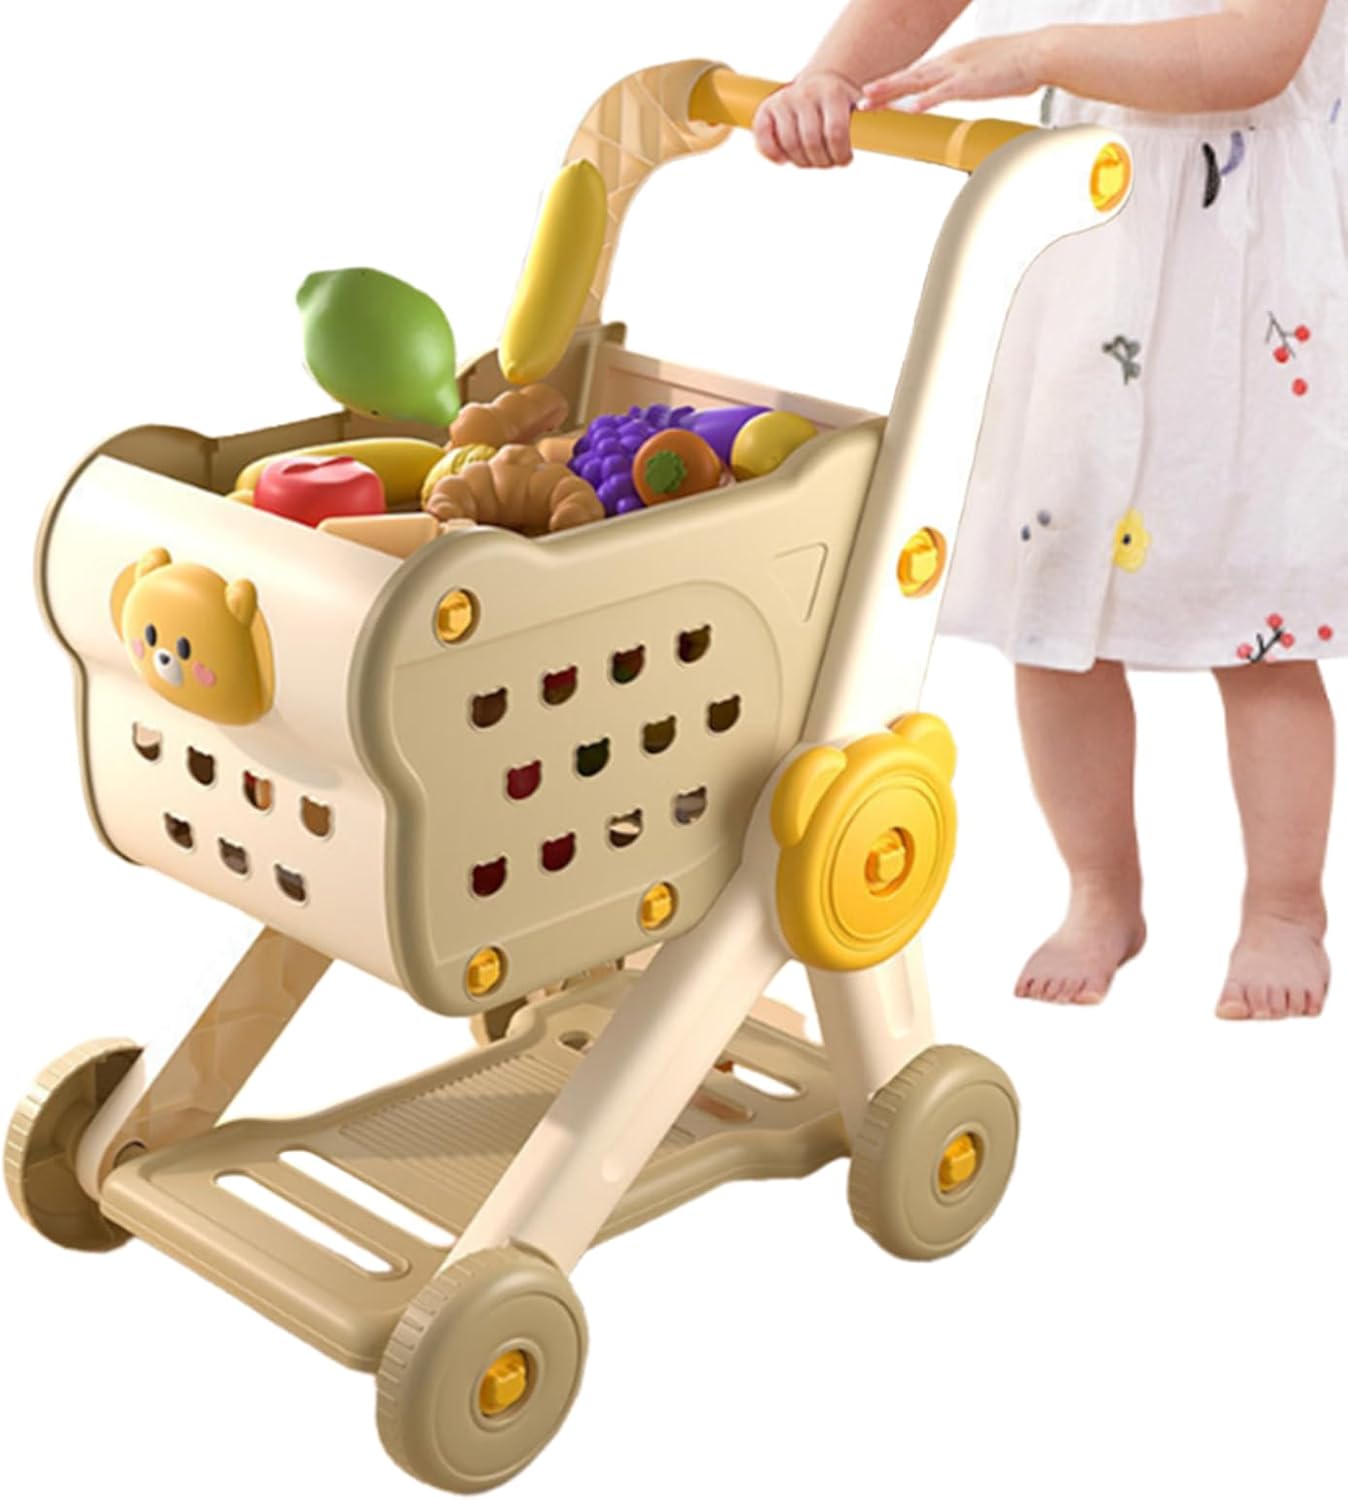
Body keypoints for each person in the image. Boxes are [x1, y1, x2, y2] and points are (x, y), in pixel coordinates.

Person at [754, 0, 1344, 1018]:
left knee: (1261, 622)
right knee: (1056, 599)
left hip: (1248, 276)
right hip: (1090, 251)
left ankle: (1285, 906)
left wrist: (1039, 53)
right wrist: (831, 75)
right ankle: (1100, 888)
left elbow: (1254, 55)